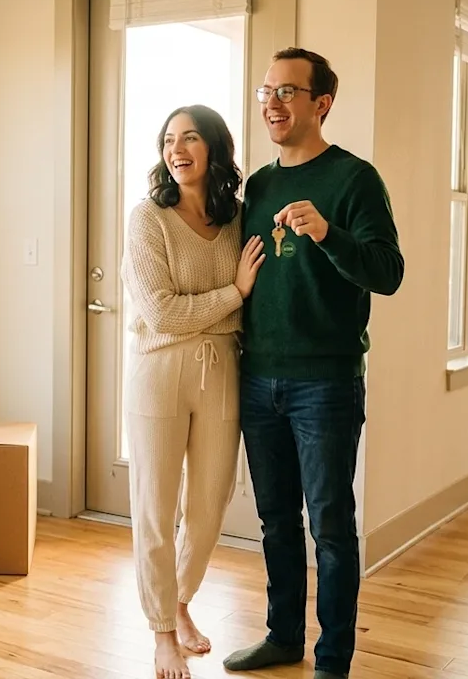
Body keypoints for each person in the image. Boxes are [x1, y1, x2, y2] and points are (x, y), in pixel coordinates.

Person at [221, 49, 404, 679]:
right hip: (257, 377)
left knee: (329, 526)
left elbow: (388, 274)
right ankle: (282, 638)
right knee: (274, 520)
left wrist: (328, 234)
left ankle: (332, 661)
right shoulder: (260, 186)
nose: (272, 103)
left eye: (287, 92)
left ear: (321, 103)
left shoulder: (355, 180)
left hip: (324, 383)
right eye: (265, 90)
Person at [120, 104, 264, 679]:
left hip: (222, 367)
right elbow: (158, 313)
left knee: (209, 503)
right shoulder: (146, 219)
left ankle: (180, 602)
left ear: (213, 150)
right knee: (155, 507)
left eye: (190, 139)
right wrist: (233, 293)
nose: (177, 150)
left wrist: (232, 300)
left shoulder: (236, 220)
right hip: (159, 372)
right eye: (168, 140)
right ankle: (161, 632)